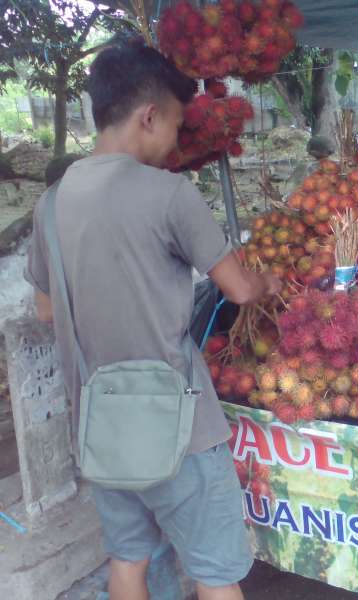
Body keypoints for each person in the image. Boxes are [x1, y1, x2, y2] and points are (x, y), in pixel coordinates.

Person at [24, 40, 280, 600]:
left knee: (128, 558)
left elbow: (46, 311)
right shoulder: (170, 195)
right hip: (181, 429)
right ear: (149, 116)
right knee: (215, 573)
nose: (174, 144)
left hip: (99, 425)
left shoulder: (50, 205)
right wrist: (270, 283)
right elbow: (237, 289)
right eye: (176, 126)